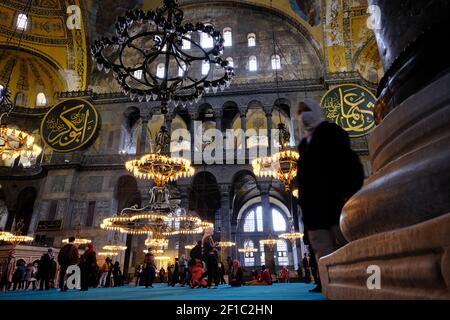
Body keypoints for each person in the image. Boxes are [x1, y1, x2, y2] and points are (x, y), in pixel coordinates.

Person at [296, 99, 364, 292]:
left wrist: (347, 195)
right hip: (313, 211)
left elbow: (351, 164)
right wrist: (303, 207)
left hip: (334, 203)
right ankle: (329, 286)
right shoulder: (304, 145)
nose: (303, 115)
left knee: (344, 245)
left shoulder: (332, 132)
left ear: (316, 111)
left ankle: (356, 283)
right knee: (322, 251)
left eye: (306, 110)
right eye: (300, 112)